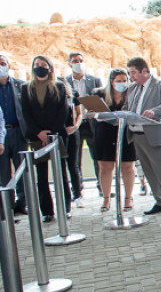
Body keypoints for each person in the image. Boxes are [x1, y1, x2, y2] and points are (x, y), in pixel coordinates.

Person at [126, 57, 161, 217]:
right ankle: (160, 201)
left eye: (134, 72)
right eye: (130, 73)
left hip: (158, 134)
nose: (132, 77)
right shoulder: (132, 89)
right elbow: (126, 108)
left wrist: (154, 111)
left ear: (144, 70)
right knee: (148, 170)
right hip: (137, 135)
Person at [20, 55, 71, 222]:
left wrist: (51, 133)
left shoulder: (59, 86)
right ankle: (47, 211)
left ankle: (65, 207)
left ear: (49, 68)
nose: (39, 67)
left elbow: (63, 112)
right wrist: (39, 133)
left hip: (56, 135)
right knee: (41, 176)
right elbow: (26, 114)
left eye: (43, 64)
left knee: (61, 173)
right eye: (36, 64)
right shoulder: (25, 88)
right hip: (37, 137)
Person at [88, 69, 136, 212]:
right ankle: (106, 198)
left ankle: (128, 198)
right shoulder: (99, 94)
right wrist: (91, 113)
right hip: (104, 133)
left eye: (124, 80)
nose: (122, 84)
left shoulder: (132, 94)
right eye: (118, 81)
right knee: (105, 167)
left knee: (127, 167)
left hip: (125, 133)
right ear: (111, 81)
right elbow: (92, 112)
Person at [65, 51, 101, 203]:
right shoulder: (65, 82)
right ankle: (77, 190)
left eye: (80, 60)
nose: (78, 63)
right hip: (74, 126)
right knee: (75, 160)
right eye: (75, 61)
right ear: (69, 64)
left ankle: (102, 187)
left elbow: (101, 101)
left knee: (97, 157)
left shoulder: (94, 80)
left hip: (92, 124)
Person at [0, 53, 27, 214]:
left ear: (8, 66)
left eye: (2, 63)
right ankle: (7, 207)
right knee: (3, 173)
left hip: (19, 132)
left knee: (22, 169)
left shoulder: (20, 86)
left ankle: (23, 203)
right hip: (1, 136)